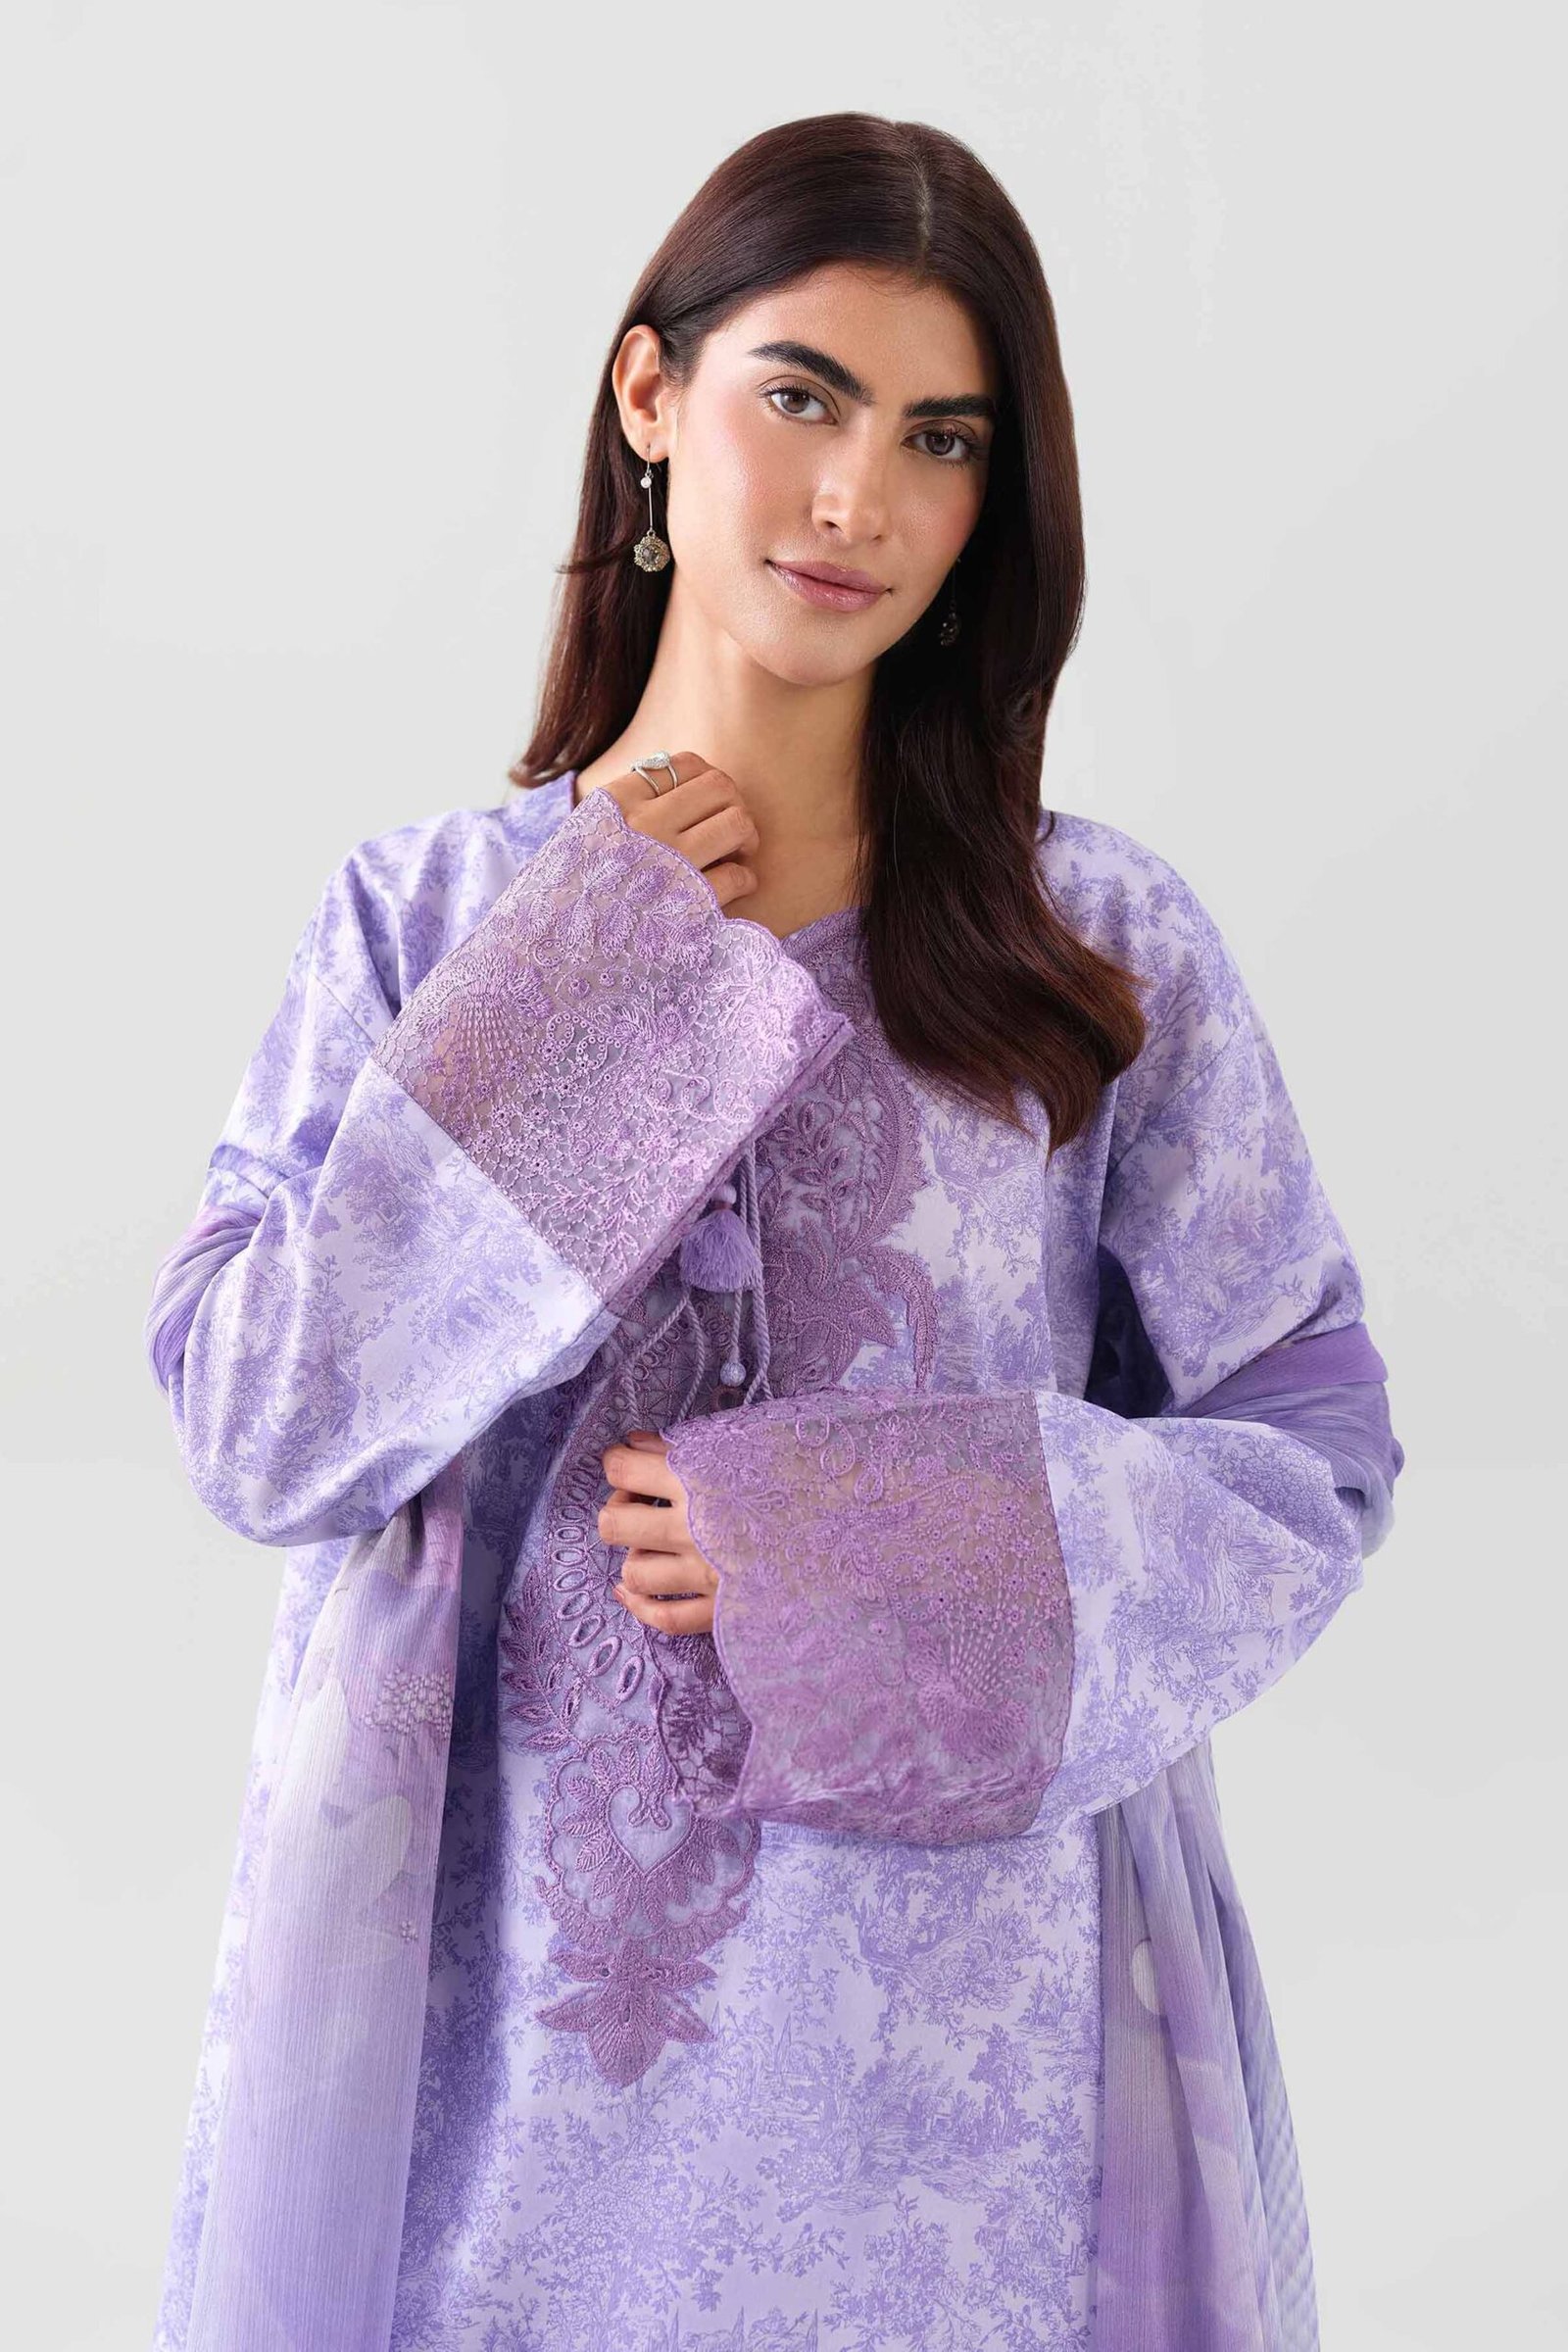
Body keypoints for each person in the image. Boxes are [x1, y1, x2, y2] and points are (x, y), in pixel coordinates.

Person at [143, 111, 1403, 2352]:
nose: (855, 499)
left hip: (947, 2087)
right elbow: (260, 1431)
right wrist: (572, 1001)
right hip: (499, 2075)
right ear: (648, 394)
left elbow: (1303, 1449)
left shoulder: (1091, 952)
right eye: (800, 398)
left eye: (939, 439)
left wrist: (873, 1544)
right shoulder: (425, 925)